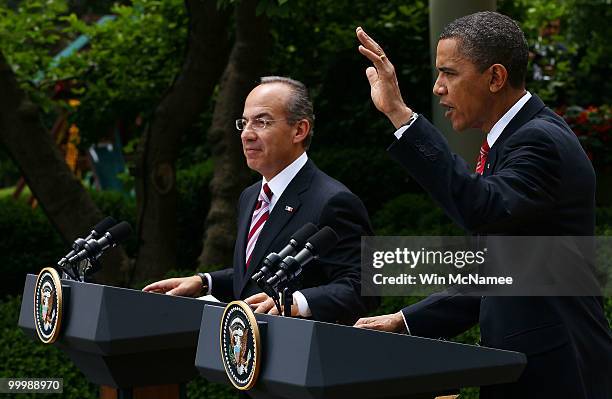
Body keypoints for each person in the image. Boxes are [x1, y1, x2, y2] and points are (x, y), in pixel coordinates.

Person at [353, 12, 611, 399]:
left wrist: (401, 116)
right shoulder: (512, 141)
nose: (438, 88)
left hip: (559, 373)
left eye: (449, 73)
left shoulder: (537, 141)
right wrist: (404, 319)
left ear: (495, 77)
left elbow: (481, 207)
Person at [144, 76, 375, 324]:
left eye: (261, 122)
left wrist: (297, 303)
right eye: (243, 123)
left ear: (299, 130)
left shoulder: (334, 201)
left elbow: (364, 287)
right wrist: (205, 282)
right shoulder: (250, 195)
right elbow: (255, 277)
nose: (246, 134)